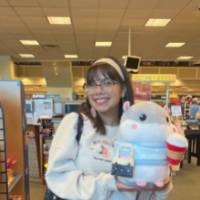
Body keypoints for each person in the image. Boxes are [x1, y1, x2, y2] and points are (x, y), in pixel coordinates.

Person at [45, 57, 172, 200]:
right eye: (92, 84)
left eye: (107, 83)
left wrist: (162, 186)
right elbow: (58, 177)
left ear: (123, 89)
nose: (98, 90)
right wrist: (109, 184)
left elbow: (147, 189)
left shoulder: (136, 131)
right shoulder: (76, 124)